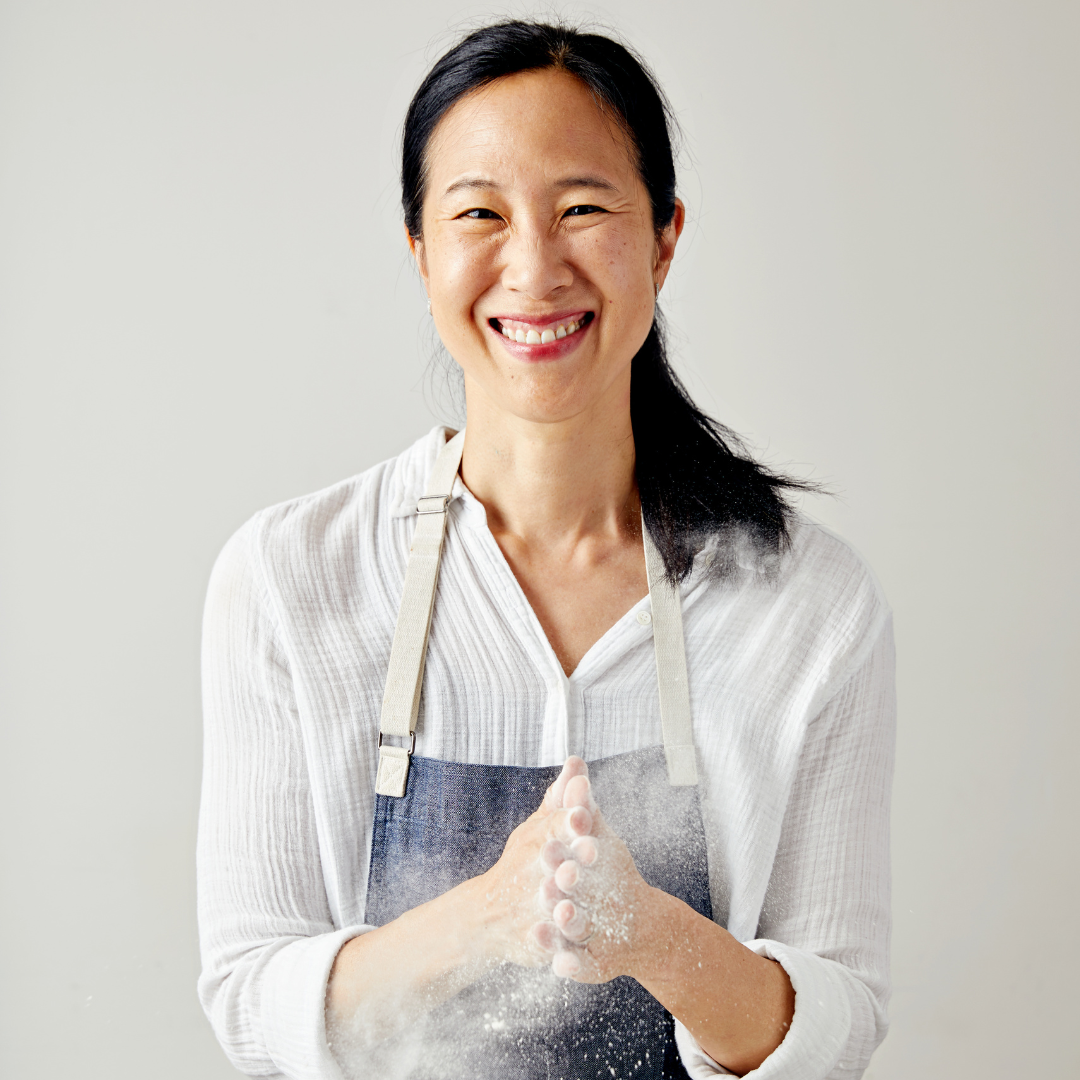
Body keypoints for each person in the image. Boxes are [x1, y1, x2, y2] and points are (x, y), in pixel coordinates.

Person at [197, 20, 895, 1080]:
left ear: (664, 237)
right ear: (420, 248)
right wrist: (491, 916)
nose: (533, 266)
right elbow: (250, 1003)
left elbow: (837, 1025)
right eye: (480, 213)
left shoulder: (807, 603)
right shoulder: (293, 578)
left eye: (582, 209)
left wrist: (654, 934)